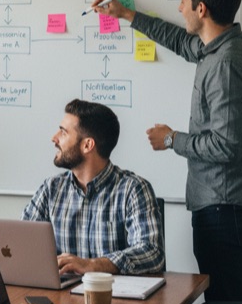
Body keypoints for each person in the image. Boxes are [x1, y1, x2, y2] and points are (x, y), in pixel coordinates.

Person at [92, 0, 242, 304]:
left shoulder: (225, 64)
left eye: (184, 0)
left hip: (225, 206)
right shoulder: (223, 46)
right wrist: (127, 14)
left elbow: (227, 145)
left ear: (201, 9)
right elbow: (179, 41)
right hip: (228, 203)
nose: (179, 7)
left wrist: (172, 139)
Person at [22, 99, 164, 275]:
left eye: (63, 132)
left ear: (87, 145)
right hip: (62, 291)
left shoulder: (134, 189)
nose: (54, 138)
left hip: (112, 292)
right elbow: (23, 242)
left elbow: (152, 252)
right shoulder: (51, 189)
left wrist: (92, 265)